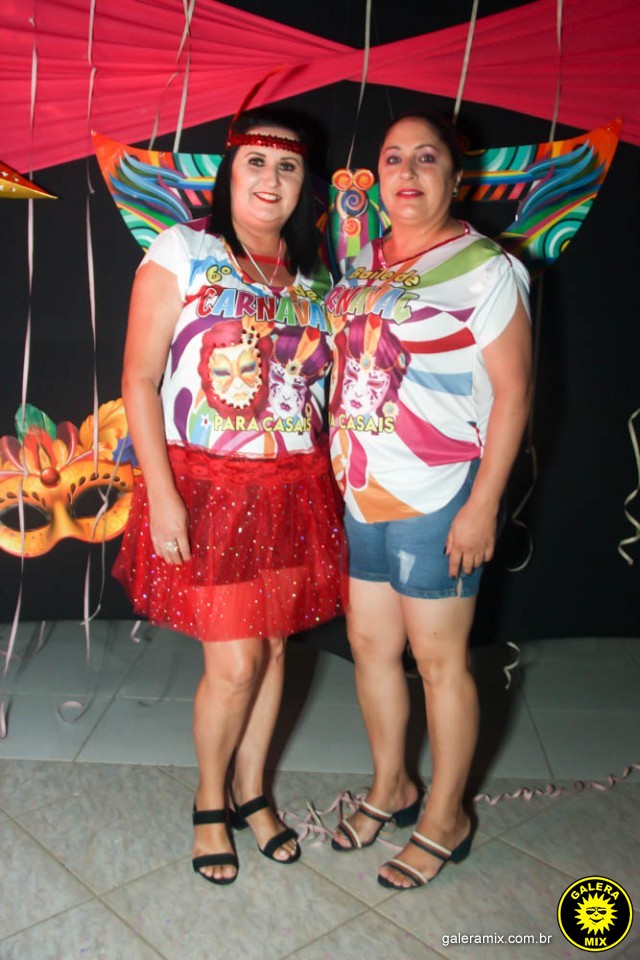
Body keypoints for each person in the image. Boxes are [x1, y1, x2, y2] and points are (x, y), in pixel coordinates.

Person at [113, 108, 347, 885]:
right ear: (229, 170)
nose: (271, 179)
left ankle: (253, 790)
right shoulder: (184, 250)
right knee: (237, 662)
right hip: (210, 489)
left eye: (288, 167)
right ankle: (210, 798)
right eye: (256, 162)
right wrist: (163, 494)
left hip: (296, 489)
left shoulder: (313, 277)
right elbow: (139, 379)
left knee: (275, 649)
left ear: (305, 183)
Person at [327, 112, 532, 890]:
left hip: (441, 492)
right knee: (371, 647)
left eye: (426, 157)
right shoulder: (363, 264)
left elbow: (514, 393)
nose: (407, 172)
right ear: (376, 178)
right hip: (363, 490)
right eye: (393, 159)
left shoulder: (487, 268)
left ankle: (448, 816)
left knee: (440, 660)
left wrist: (484, 505)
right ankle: (394, 785)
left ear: (455, 175)